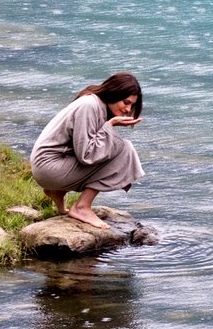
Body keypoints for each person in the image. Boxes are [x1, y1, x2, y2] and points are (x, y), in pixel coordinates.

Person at [30, 72, 145, 229]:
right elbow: (86, 155)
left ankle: (57, 192)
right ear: (114, 93)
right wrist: (109, 126)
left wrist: (108, 127)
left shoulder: (95, 104)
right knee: (125, 149)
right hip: (48, 167)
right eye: (126, 102)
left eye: (131, 105)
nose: (128, 109)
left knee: (118, 147)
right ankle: (81, 207)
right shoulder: (89, 105)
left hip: (49, 167)